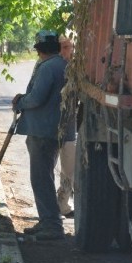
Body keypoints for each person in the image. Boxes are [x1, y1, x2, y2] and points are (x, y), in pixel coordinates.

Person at [12, 29, 68, 241]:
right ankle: (47, 221)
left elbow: (37, 98)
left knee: (41, 178)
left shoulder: (47, 68)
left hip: (42, 131)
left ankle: (52, 225)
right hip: (51, 130)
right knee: (45, 176)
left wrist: (20, 102)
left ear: (40, 49)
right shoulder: (61, 65)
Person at [57, 35, 76, 217]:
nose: (63, 52)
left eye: (67, 47)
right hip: (51, 128)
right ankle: (54, 207)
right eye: (61, 47)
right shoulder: (51, 68)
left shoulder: (75, 70)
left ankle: (63, 204)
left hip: (69, 128)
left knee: (68, 169)